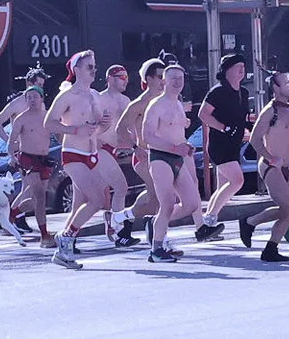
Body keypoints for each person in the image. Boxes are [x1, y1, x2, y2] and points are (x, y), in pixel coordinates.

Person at [142, 61, 225, 263]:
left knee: (192, 203)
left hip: (178, 158)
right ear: (164, 81)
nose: (177, 82)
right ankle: (156, 249)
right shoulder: (156, 105)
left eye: (180, 79)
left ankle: (156, 224)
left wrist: (185, 146)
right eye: (173, 79)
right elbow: (147, 136)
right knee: (167, 203)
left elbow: (176, 133)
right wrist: (174, 148)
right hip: (160, 158)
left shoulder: (178, 104)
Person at [44, 50, 112, 270]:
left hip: (92, 154)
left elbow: (98, 127)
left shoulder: (95, 95)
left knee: (81, 205)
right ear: (76, 70)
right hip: (73, 153)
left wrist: (104, 124)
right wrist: (75, 129)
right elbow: (49, 123)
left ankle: (64, 250)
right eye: (89, 67)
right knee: (96, 200)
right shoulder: (67, 96)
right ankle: (65, 238)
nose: (94, 70)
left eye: (95, 66)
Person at [239, 72, 289, 263]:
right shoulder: (269, 111)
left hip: (286, 167)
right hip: (271, 166)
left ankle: (271, 249)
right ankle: (250, 222)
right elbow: (255, 140)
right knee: (287, 207)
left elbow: (288, 139)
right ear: (275, 87)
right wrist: (271, 158)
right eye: (286, 83)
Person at [111, 58, 166, 237]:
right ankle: (157, 237)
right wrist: (135, 147)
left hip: (163, 154)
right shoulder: (138, 104)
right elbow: (120, 129)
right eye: (160, 77)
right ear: (149, 79)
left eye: (165, 77)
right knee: (160, 198)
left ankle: (121, 217)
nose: (163, 81)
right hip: (144, 156)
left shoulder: (166, 101)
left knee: (154, 197)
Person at [0, 67, 49, 233]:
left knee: (30, 189)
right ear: (29, 83)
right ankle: (11, 219)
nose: (40, 87)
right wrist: (10, 141)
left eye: (42, 85)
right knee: (30, 189)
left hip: (39, 153)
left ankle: (13, 218)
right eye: (38, 84)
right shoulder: (17, 104)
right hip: (24, 152)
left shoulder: (40, 102)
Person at [198, 54, 252, 230]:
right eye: (237, 66)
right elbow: (203, 114)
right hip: (219, 145)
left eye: (243, 66)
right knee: (237, 181)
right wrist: (224, 128)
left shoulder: (244, 92)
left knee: (223, 186)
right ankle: (209, 219)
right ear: (227, 70)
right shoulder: (218, 91)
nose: (242, 70)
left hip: (235, 144)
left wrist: (250, 128)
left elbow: (242, 117)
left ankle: (207, 224)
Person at [6, 86, 55, 247]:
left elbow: (59, 133)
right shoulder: (21, 118)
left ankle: (14, 212)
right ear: (26, 100)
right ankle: (44, 236)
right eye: (29, 97)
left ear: (42, 99)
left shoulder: (48, 116)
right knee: (39, 196)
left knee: (37, 200)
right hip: (27, 159)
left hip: (44, 159)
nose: (32, 100)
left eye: (35, 97)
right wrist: (12, 156)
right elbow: (11, 142)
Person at [96, 65, 137, 246]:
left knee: (85, 199)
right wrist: (94, 139)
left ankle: (68, 237)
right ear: (110, 79)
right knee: (121, 187)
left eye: (127, 77)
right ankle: (118, 229)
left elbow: (130, 127)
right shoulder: (99, 99)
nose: (125, 80)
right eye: (122, 77)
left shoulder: (126, 100)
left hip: (116, 150)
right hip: (100, 149)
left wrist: (136, 145)